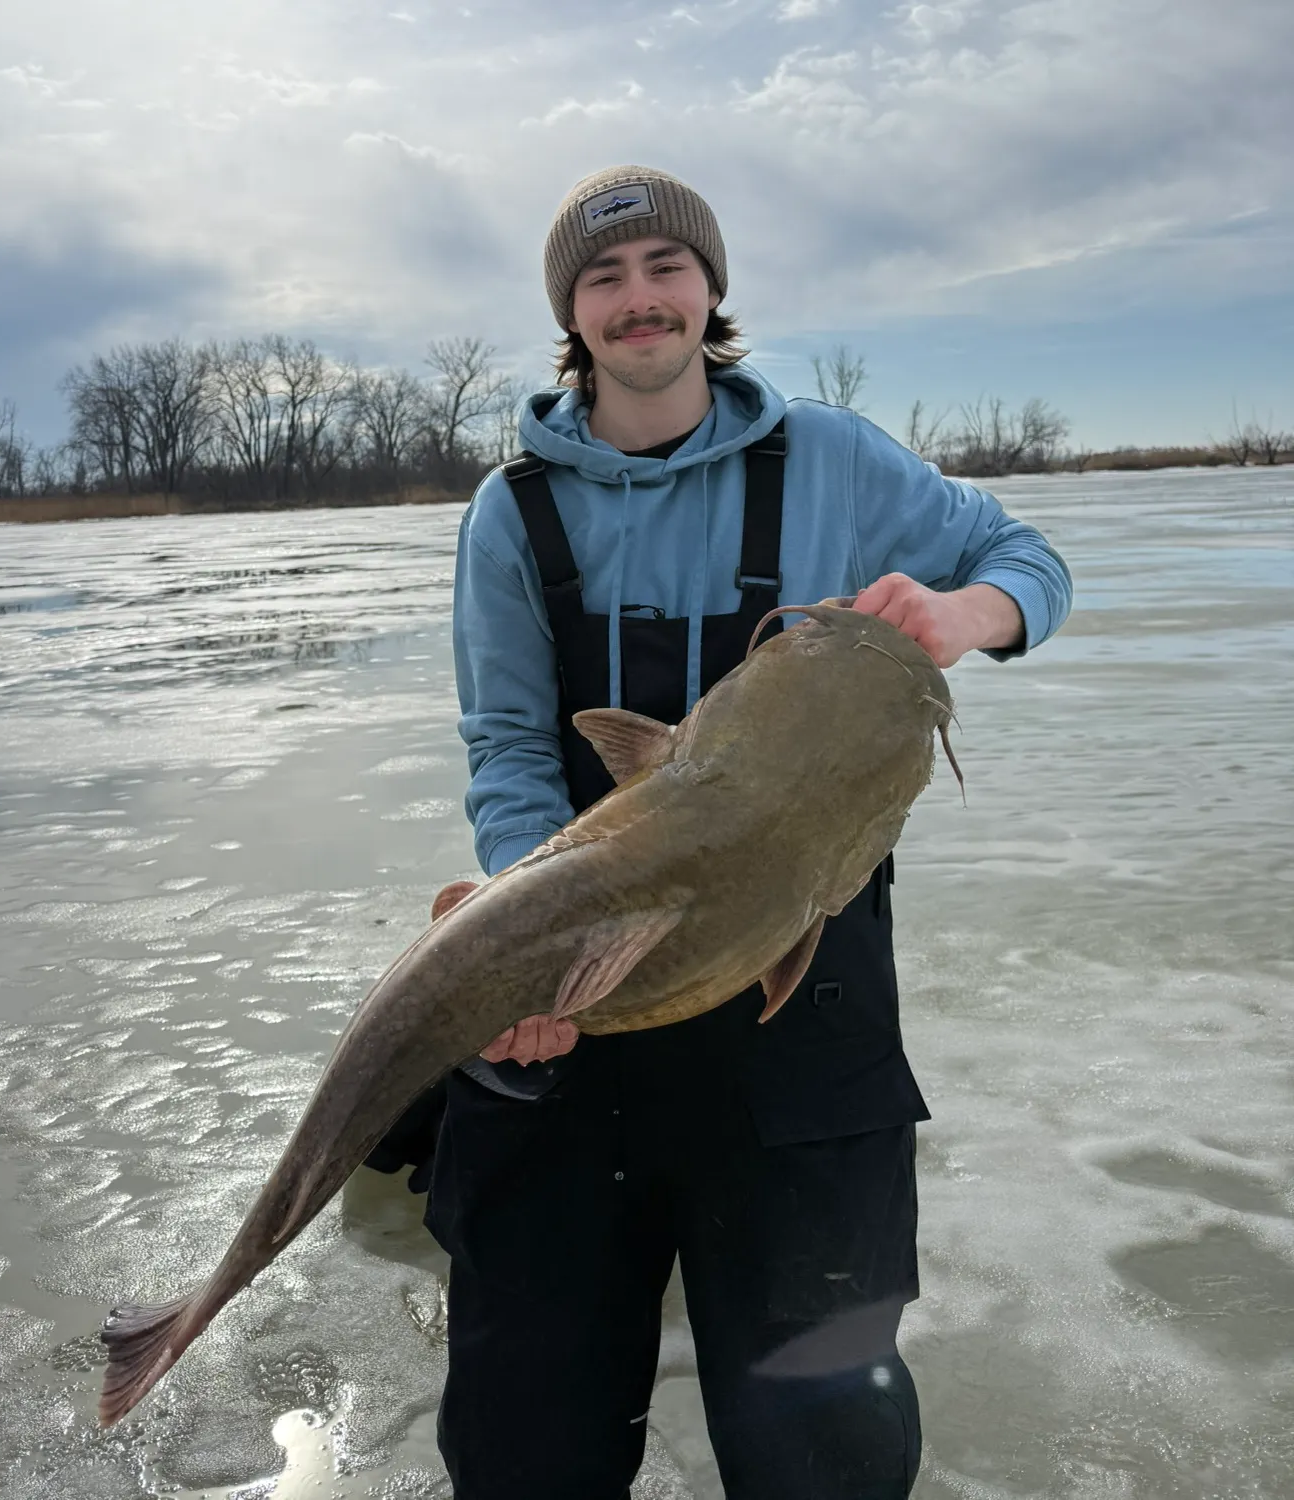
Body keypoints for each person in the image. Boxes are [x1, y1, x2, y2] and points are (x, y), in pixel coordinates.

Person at [419, 165, 1073, 1499]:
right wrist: (539, 944)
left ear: (709, 292)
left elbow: (1030, 563)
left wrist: (963, 618)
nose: (638, 298)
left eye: (665, 267)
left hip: (807, 1012)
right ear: (573, 314)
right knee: (525, 1436)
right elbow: (507, 749)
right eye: (602, 277)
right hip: (578, 1004)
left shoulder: (833, 458)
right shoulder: (513, 511)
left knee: (822, 1436)